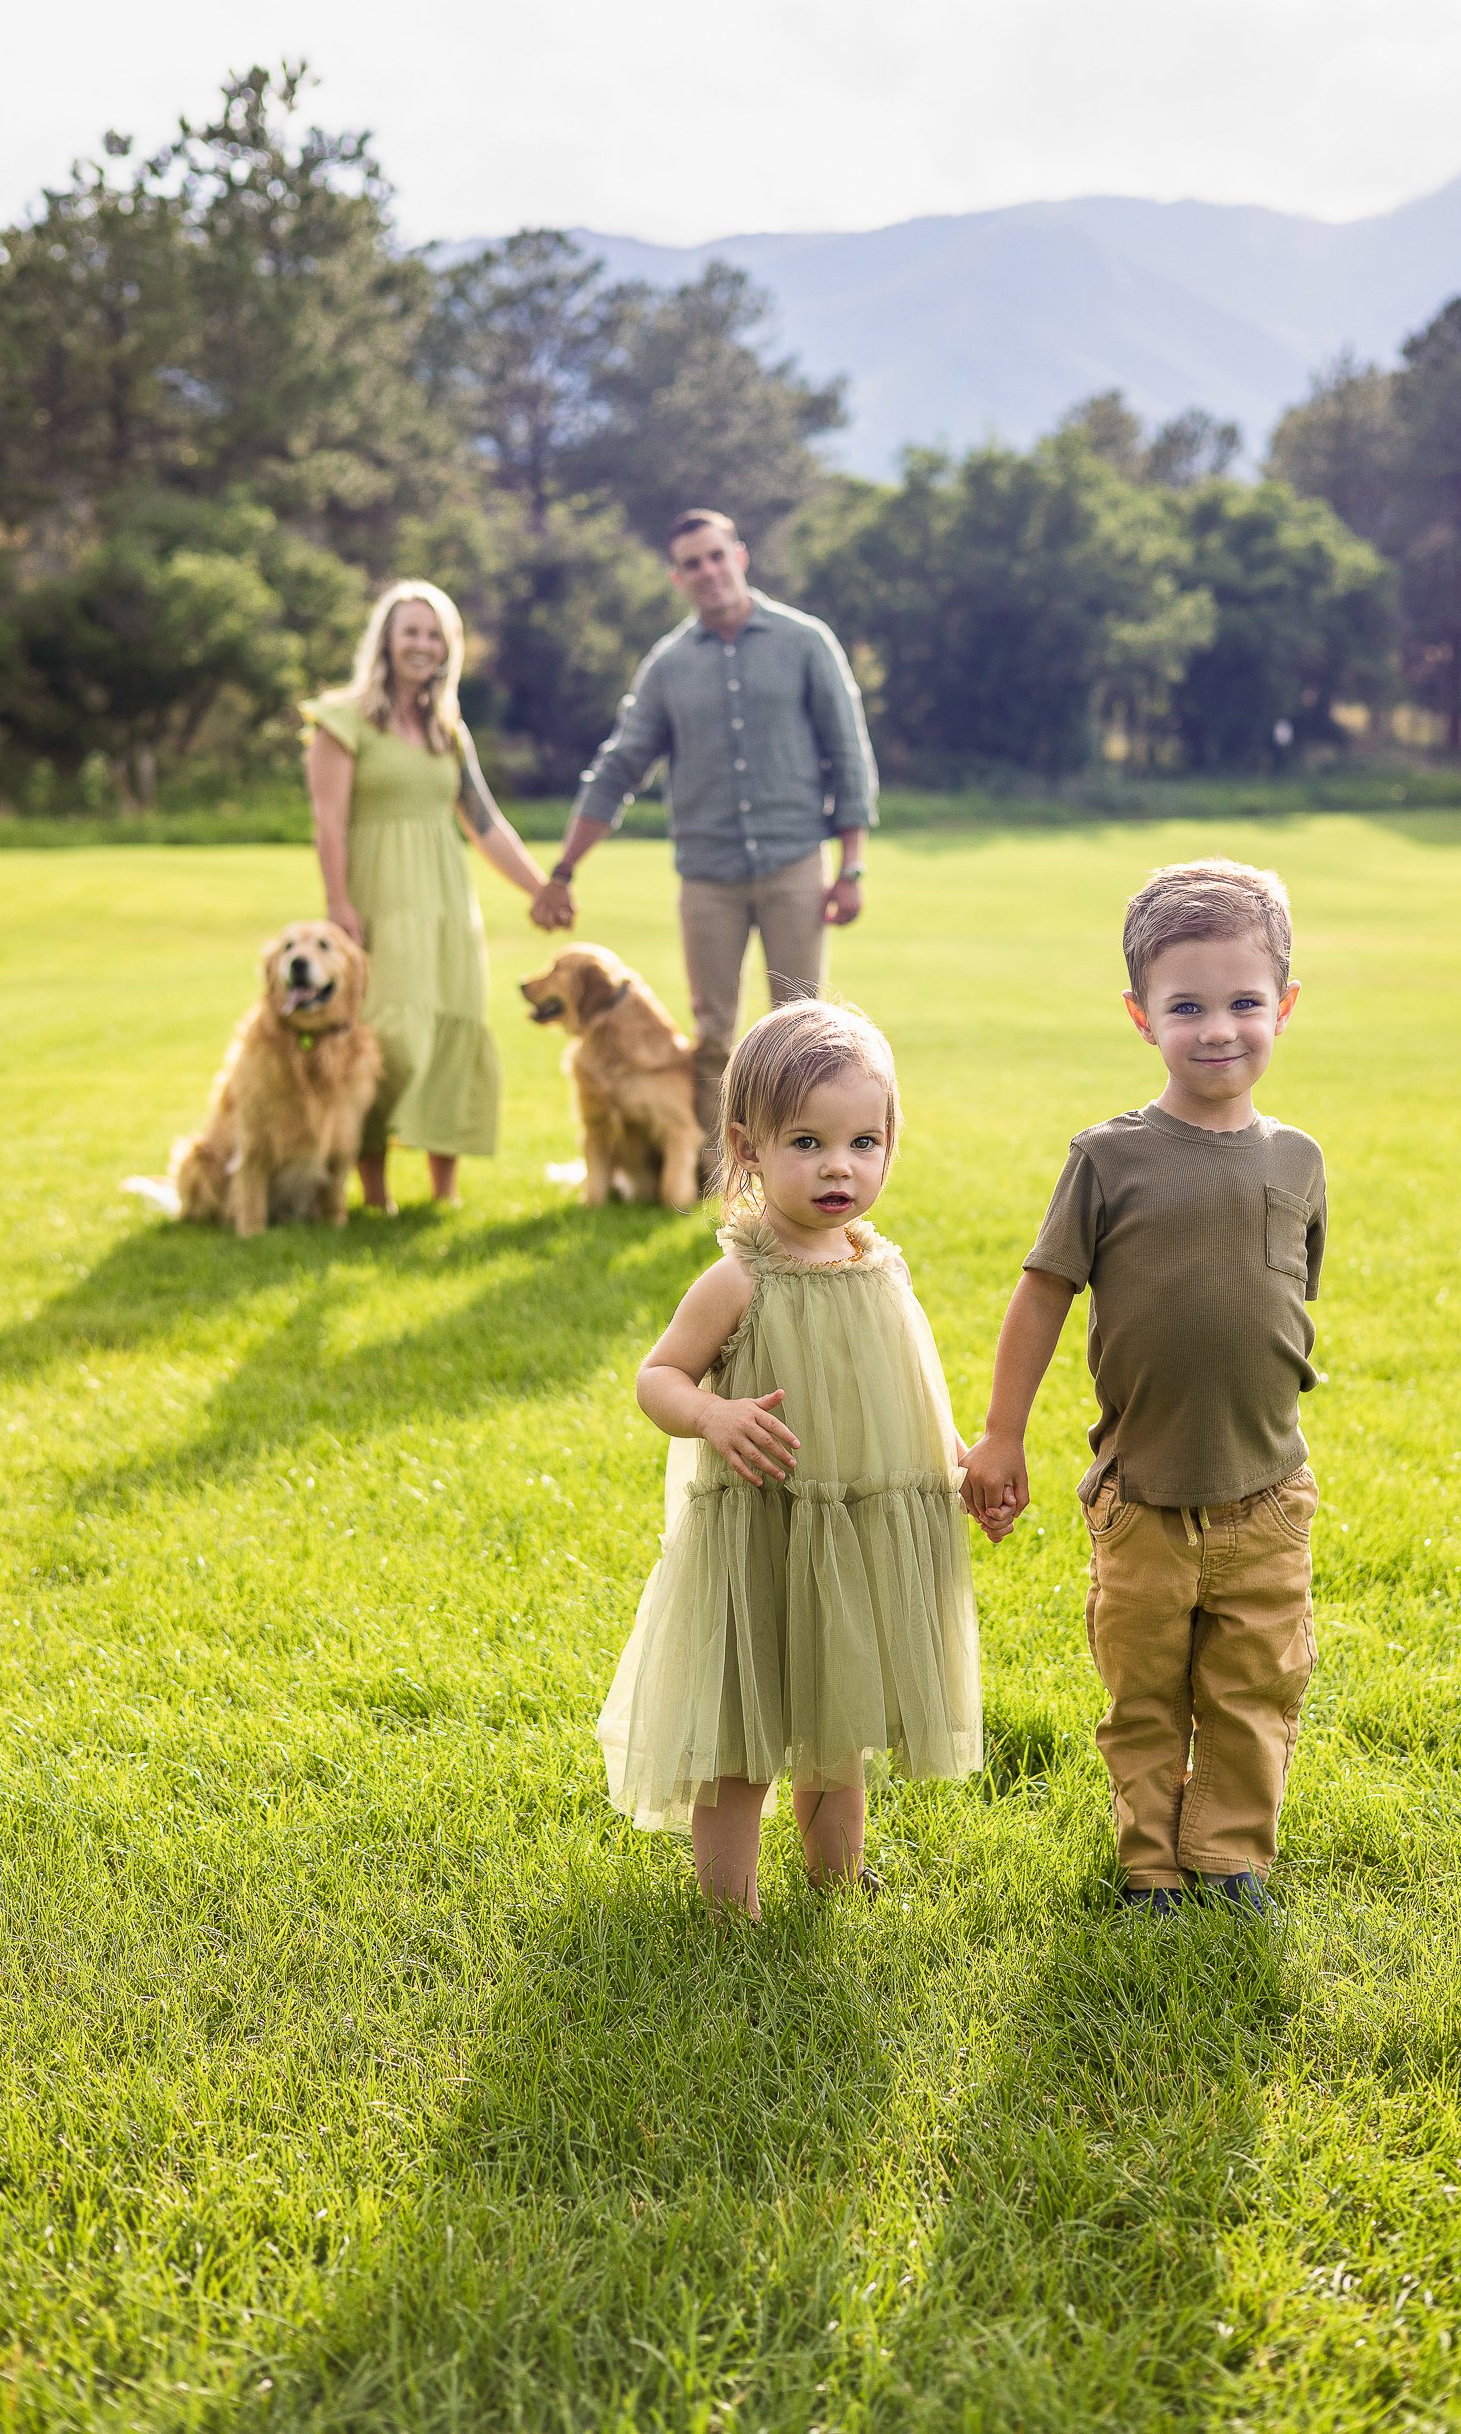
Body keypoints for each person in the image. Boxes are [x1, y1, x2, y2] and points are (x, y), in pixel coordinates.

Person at [963, 859, 1326, 1921]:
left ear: (1283, 1006)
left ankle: (1226, 1859)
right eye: (1186, 1006)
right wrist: (1000, 1436)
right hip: (1141, 1501)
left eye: (1243, 1002)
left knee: (1254, 1688)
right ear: (1139, 1016)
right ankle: (1151, 1872)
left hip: (1264, 1494)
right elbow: (1039, 1299)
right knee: (1144, 1696)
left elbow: (1288, 1304)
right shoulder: (1108, 1158)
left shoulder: (1296, 1160)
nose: (1218, 1028)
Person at [598, 999, 982, 1919]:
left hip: (856, 1531)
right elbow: (658, 1376)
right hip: (764, 1533)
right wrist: (712, 1414)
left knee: (838, 1722)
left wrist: (960, 1466)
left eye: (862, 1141)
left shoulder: (878, 1266)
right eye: (806, 1142)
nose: (838, 1166)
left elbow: (911, 1386)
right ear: (748, 1148)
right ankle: (729, 1906)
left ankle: (836, 1879)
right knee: (742, 1732)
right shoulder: (740, 1277)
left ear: (890, 1142)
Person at [531, 510, 879, 1139]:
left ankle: (797, 1167)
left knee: (801, 1029)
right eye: (692, 564)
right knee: (714, 1033)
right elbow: (618, 769)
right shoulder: (668, 666)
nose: (708, 571)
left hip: (793, 862)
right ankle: (710, 1178)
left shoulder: (805, 642)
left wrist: (850, 867)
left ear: (739, 556)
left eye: (716, 556)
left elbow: (848, 755)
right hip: (708, 877)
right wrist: (562, 870)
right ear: (677, 578)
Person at [302, 581, 568, 1213]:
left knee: (453, 1031)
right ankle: (373, 1191)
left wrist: (542, 889)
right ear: (387, 641)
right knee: (385, 1040)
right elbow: (328, 824)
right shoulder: (343, 721)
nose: (421, 645)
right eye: (410, 632)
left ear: (446, 648)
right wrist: (338, 907)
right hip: (377, 897)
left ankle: (444, 1192)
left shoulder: (449, 731)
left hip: (449, 904)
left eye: (433, 634)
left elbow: (485, 822)